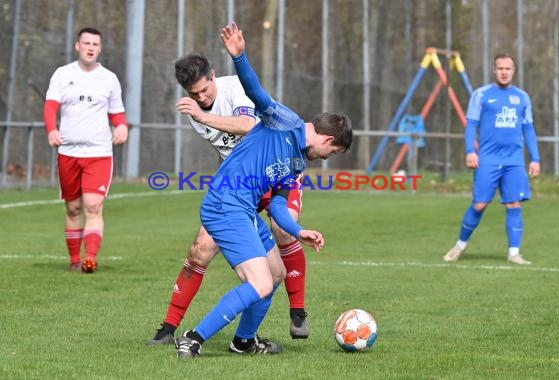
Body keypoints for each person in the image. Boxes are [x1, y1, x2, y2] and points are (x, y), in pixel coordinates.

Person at [173, 22, 352, 358]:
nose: (328, 158)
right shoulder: (285, 121)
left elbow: (280, 206)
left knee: (275, 272)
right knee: (259, 282)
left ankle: (243, 341)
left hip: (244, 207)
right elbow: (256, 92)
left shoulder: (298, 161)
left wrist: (300, 231)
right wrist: (239, 58)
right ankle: (193, 337)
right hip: (226, 204)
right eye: (333, 153)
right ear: (328, 140)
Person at [147, 54, 310, 345]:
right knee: (199, 250)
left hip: (278, 172)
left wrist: (203, 115)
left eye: (205, 90)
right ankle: (169, 329)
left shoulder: (234, 87)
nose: (201, 97)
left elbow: (248, 125)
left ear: (213, 75)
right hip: (240, 185)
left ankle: (297, 311)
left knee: (283, 228)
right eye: (193, 94)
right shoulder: (195, 108)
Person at [43, 27, 129, 273]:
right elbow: (50, 107)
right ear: (77, 46)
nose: (91, 47)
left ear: (100, 48)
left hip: (99, 153)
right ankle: (74, 260)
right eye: (87, 43)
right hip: (68, 152)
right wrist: (51, 129)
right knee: (73, 208)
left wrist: (121, 126)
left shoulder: (109, 79)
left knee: (92, 206)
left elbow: (117, 112)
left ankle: (89, 258)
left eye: (95, 44)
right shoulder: (62, 74)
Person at [443, 53, 540, 265]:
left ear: (513, 71)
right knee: (479, 205)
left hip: (514, 160)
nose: (504, 72)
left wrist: (535, 158)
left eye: (508, 69)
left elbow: (529, 129)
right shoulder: (481, 95)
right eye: (500, 68)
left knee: (514, 204)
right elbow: (471, 125)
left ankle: (514, 253)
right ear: (494, 70)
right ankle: (460, 245)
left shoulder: (522, 97)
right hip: (487, 159)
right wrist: (470, 151)